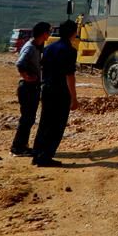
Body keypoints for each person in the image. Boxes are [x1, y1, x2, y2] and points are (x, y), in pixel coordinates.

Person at [32, 20, 79, 167]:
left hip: (46, 88)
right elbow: (69, 76)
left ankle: (37, 155)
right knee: (57, 125)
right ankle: (46, 157)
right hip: (60, 91)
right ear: (73, 33)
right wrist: (74, 98)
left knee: (45, 122)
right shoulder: (70, 50)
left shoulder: (49, 48)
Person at [10, 21, 51, 156]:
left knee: (29, 118)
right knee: (27, 118)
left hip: (32, 87)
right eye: (48, 32)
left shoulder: (38, 46)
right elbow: (20, 64)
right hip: (27, 87)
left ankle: (22, 145)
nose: (49, 34)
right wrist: (27, 77)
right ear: (43, 33)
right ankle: (18, 147)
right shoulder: (30, 47)